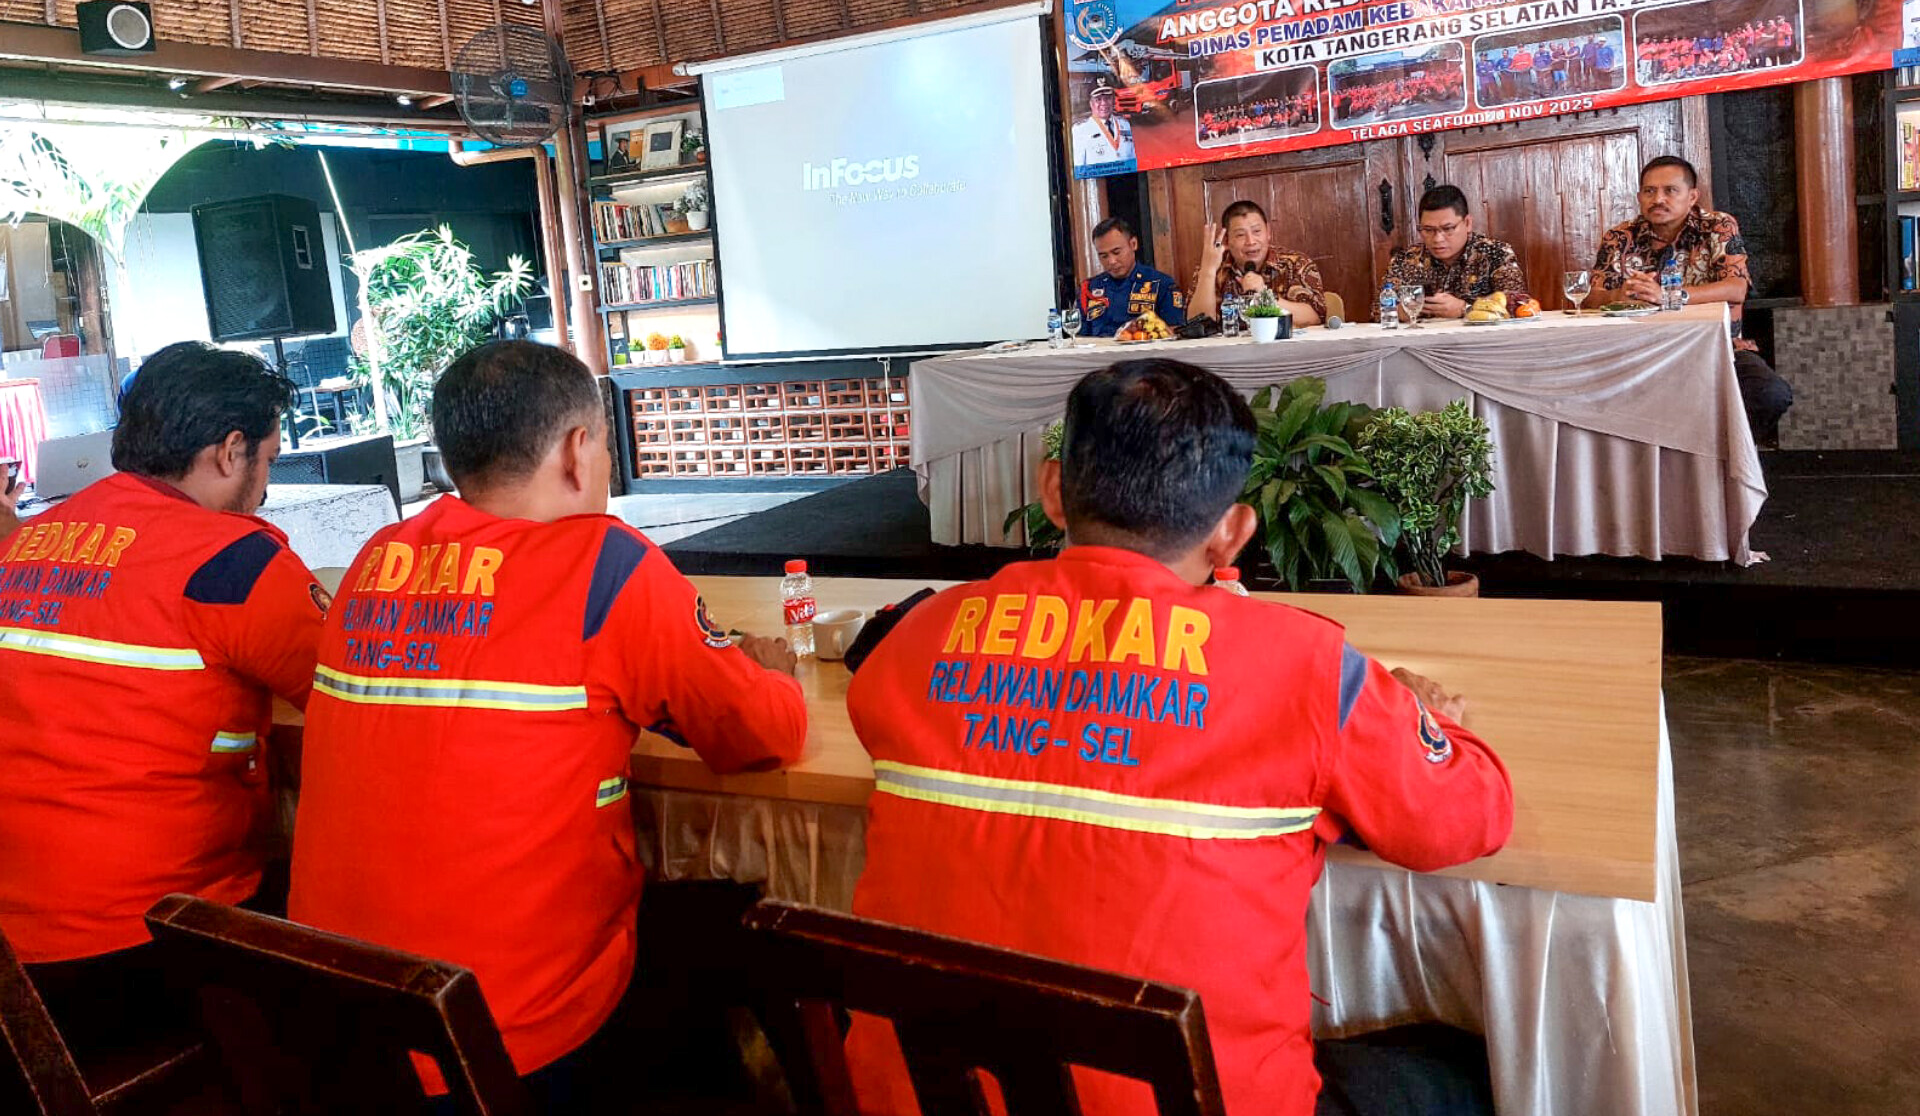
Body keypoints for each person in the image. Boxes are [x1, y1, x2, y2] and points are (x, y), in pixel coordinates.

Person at [842, 359, 1514, 1116]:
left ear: (1053, 491)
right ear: (1233, 534)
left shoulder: (916, 638)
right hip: (1202, 1100)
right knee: (1469, 1062)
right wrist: (1431, 719)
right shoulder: (1307, 670)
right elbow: (1467, 818)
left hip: (918, 1099)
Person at [289, 340, 807, 1105]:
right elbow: (762, 735)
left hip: (341, 1032)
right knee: (734, 936)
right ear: (576, 450)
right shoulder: (604, 565)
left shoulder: (377, 560)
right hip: (506, 1045)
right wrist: (774, 674)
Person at [0, 342, 325, 1050]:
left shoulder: (24, 545)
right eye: (268, 460)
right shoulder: (233, 561)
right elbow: (351, 696)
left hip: (15, 954)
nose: (265, 488)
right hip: (144, 938)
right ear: (230, 452)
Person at [1591, 155, 1793, 443]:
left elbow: (1736, 288)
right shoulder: (1619, 237)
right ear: (1639, 197)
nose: (1658, 199)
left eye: (1670, 190)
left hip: (1718, 349)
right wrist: (1619, 294)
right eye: (1649, 191)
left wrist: (1668, 296)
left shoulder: (1718, 226)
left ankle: (1722, 458)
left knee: (1770, 393)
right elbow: (1591, 298)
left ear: (1692, 196)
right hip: (1642, 353)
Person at [1383, 185, 1530, 319]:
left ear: (1467, 223)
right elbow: (1378, 308)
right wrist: (1399, 312)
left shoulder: (1495, 253)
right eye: (1428, 230)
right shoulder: (1406, 259)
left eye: (1448, 229)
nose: (1438, 239)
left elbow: (1518, 304)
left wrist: (1465, 308)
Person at [1187, 199, 1326, 327]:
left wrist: (1265, 295)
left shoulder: (1295, 263)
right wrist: (1208, 271)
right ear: (1227, 241)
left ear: (1268, 232)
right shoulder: (1213, 267)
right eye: (1240, 235)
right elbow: (1196, 324)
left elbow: (1313, 317)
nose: (1251, 241)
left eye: (1257, 231)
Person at [1080, 217, 1184, 337]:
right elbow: (1079, 336)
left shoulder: (1161, 284)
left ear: (1133, 244)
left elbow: (1174, 332)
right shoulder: (1090, 287)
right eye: (1104, 256)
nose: (1111, 261)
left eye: (1116, 252)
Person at [1072, 82, 1135, 172]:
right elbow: (1079, 169)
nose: (1104, 103)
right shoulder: (1080, 130)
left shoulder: (1124, 124)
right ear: (1091, 103)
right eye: (1098, 99)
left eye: (1107, 98)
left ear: (1113, 100)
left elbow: (1132, 159)